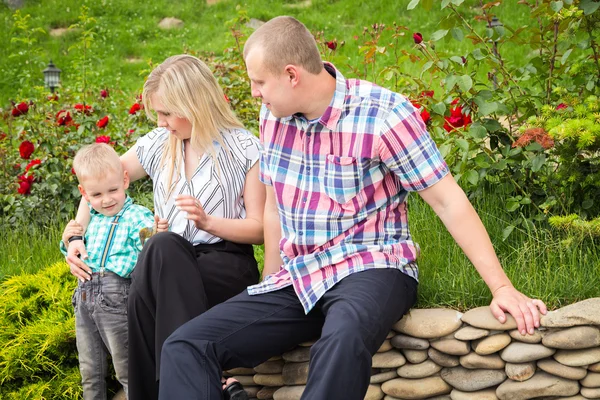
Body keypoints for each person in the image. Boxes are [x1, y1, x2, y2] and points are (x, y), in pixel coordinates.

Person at [157, 16, 548, 400]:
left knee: (341, 339)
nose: (255, 93)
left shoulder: (384, 115)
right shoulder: (273, 118)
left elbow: (447, 200)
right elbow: (274, 206)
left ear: (292, 75)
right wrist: (269, 279)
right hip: (299, 277)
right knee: (187, 345)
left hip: (371, 267)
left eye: (259, 82)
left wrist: (502, 288)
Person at [62, 55, 265, 400]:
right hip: (165, 263)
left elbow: (260, 229)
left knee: (159, 255)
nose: (161, 122)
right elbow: (99, 181)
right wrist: (76, 235)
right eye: (158, 114)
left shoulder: (245, 148)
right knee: (159, 254)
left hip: (223, 263)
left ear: (194, 103)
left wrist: (208, 221)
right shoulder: (158, 142)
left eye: (167, 112)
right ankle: (204, 381)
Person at [60, 143, 160, 399]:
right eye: (96, 194)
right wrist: (71, 242)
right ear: (84, 193)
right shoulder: (90, 219)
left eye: (113, 190)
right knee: (90, 370)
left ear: (125, 180)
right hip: (84, 299)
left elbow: (150, 245)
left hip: (116, 297)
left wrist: (158, 233)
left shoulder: (136, 216)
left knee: (126, 367)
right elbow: (69, 245)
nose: (106, 200)